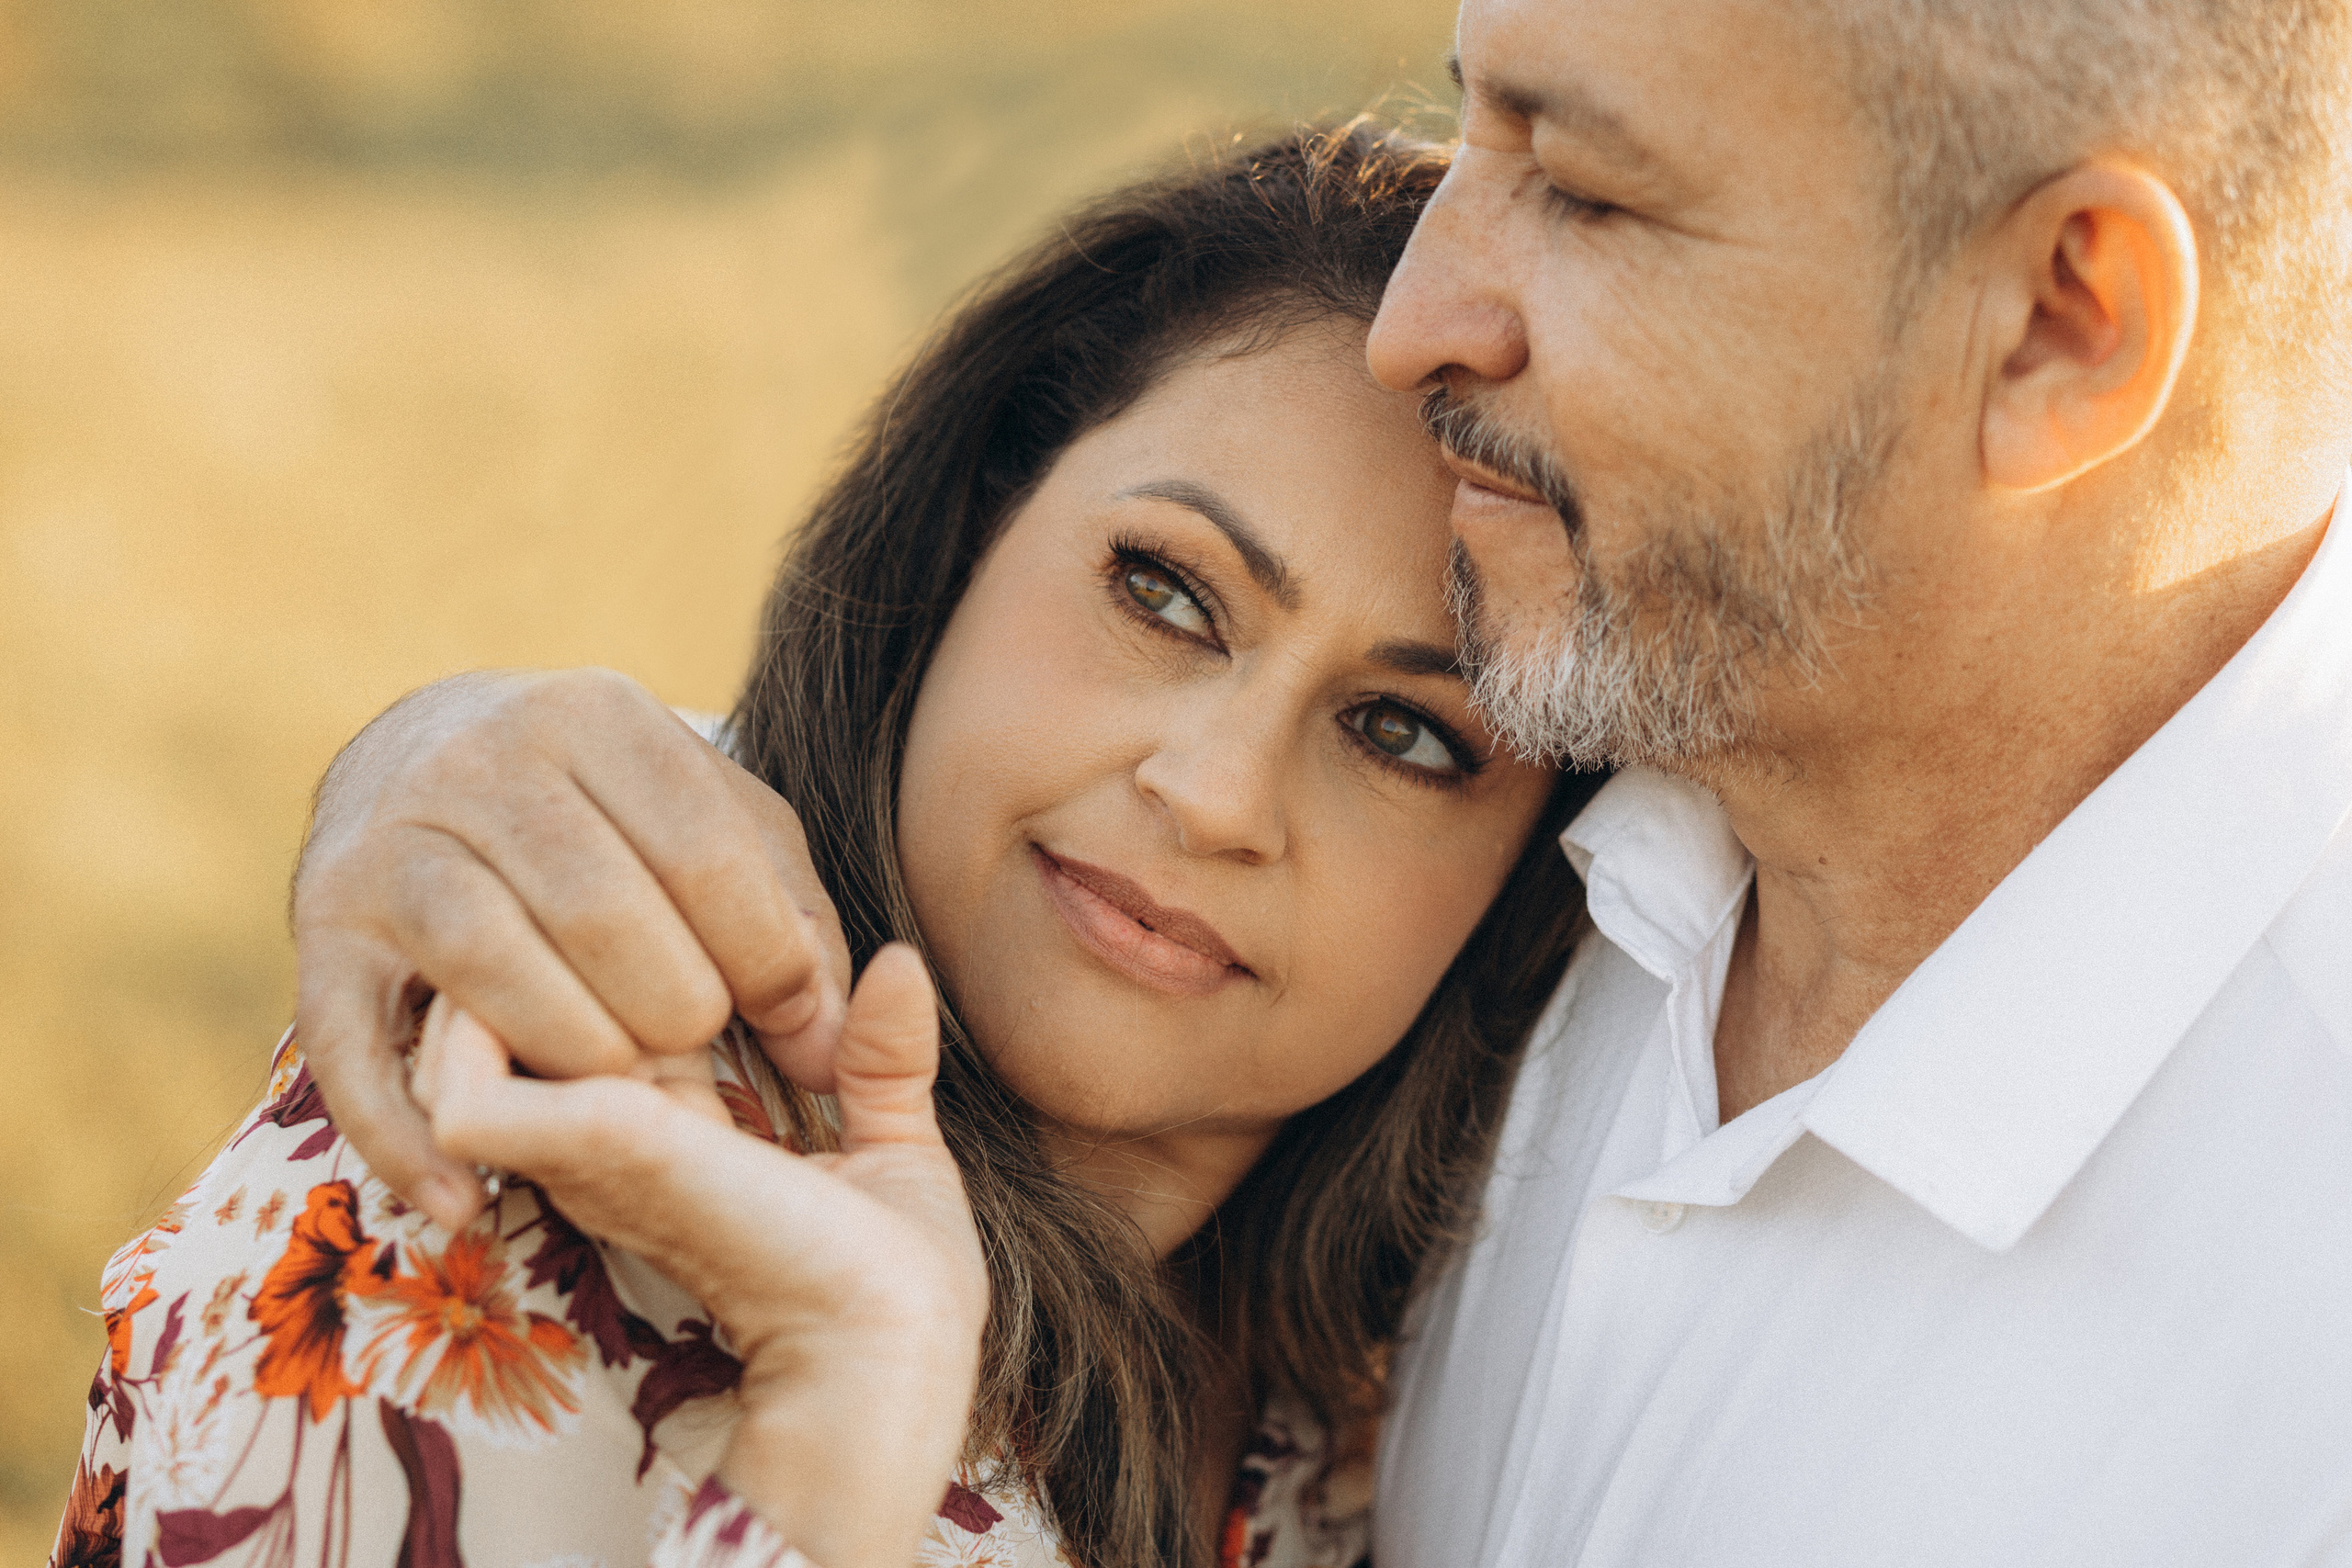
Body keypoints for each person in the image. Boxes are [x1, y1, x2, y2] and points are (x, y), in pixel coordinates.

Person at [260, 1, 2352, 1564]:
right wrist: (437, 759)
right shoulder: (1630, 781)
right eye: (1471, 127)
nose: (1418, 315)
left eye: (1588, 186)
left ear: (2063, 323)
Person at [52, 126, 1599, 1568]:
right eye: (1166, 592)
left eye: (1405, 735)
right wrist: (829, 1451)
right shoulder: (501, 1194)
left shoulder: (1405, 1371)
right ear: (972, 528)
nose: (1216, 795)